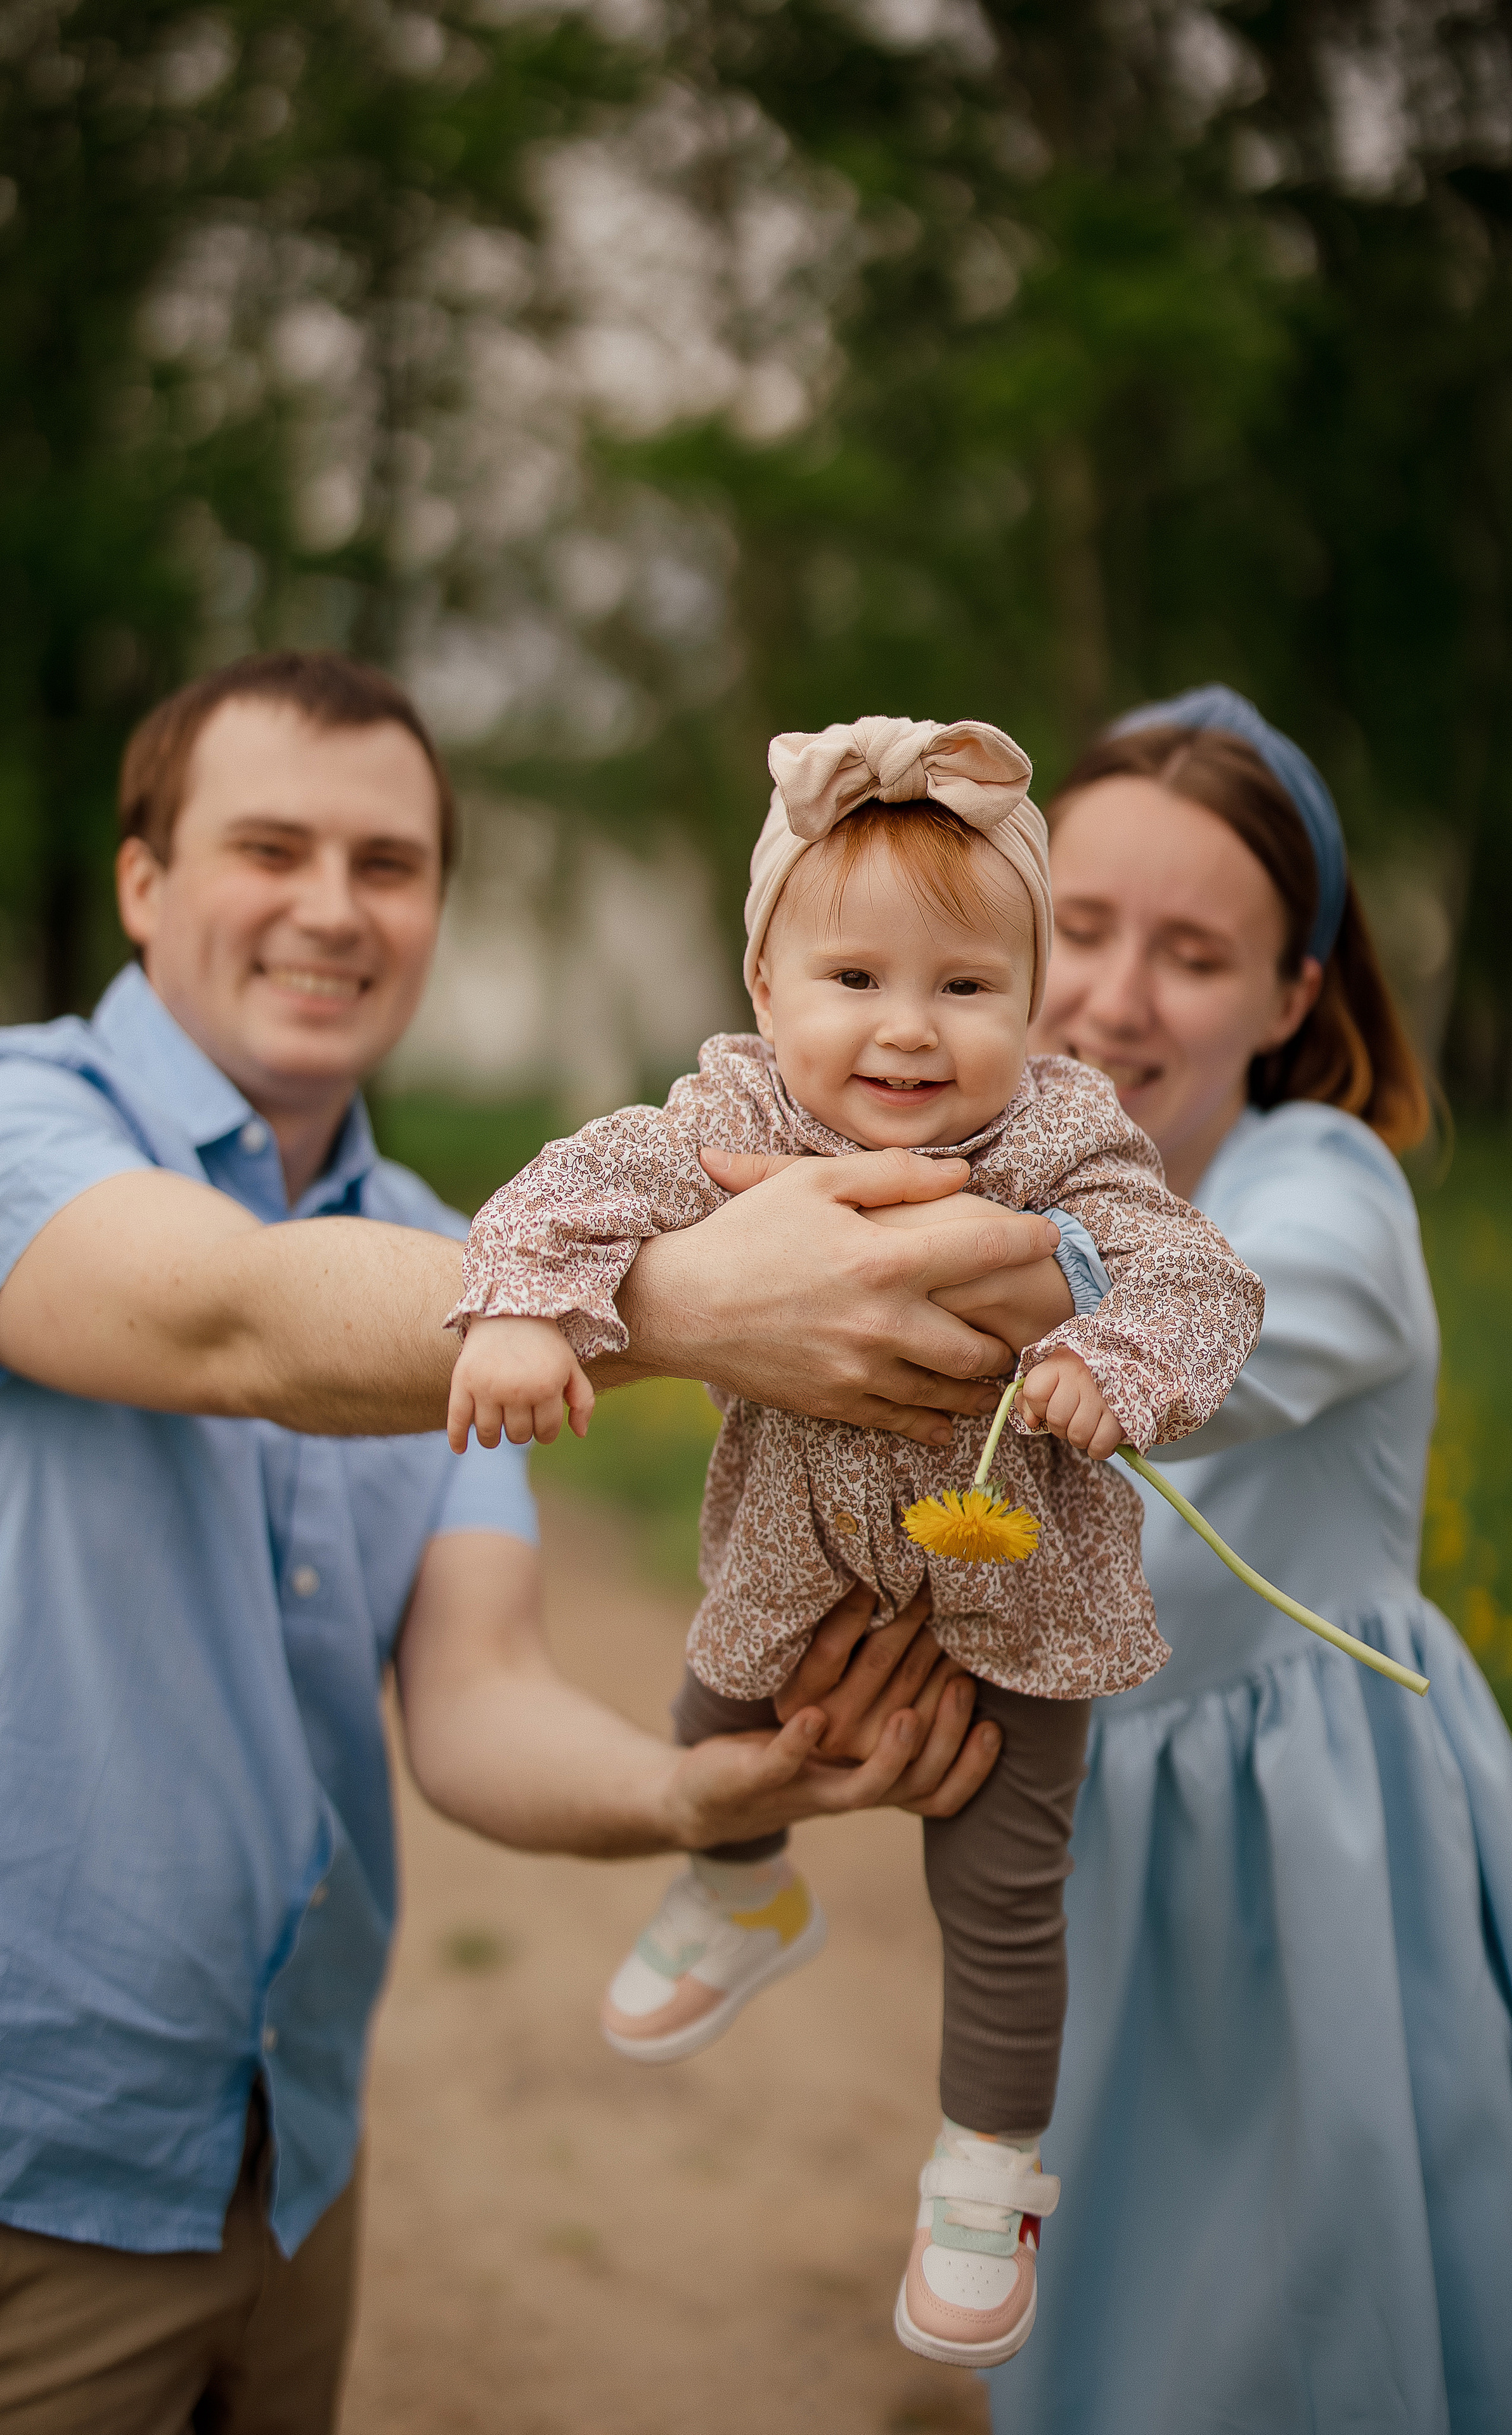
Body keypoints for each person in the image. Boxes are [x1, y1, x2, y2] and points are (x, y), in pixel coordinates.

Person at [0, 655, 1025, 2434]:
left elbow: (473, 1693)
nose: (334, 908)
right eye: (271, 847)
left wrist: (697, 1802)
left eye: (388, 866)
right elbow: (236, 1320)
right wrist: (685, 1301)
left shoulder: (448, 1251)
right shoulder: (24, 1120)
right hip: (34, 2177)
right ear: (143, 884)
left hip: (292, 2159)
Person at [439, 711, 1265, 2370]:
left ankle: (983, 2175)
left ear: (1030, 1005)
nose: (909, 1032)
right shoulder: (735, 1110)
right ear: (764, 991)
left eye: (966, 988)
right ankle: (738, 1888)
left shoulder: (1062, 1135)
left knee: (1003, 1889)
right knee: (709, 1713)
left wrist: (1108, 1356)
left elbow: (1200, 1274)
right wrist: (524, 1313)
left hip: (1025, 1584)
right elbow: (574, 1183)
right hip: (794, 1562)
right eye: (854, 981)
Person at [980, 685, 1512, 2434]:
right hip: (1098, 1865)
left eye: (1192, 955)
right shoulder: (983, 1183)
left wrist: (924, 1285)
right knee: (1102, 2298)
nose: (1114, 996)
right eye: (1080, 932)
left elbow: (1234, 1323)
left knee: (1326, 2312)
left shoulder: (1323, 1186)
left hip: (1322, 1857)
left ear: (1290, 999)